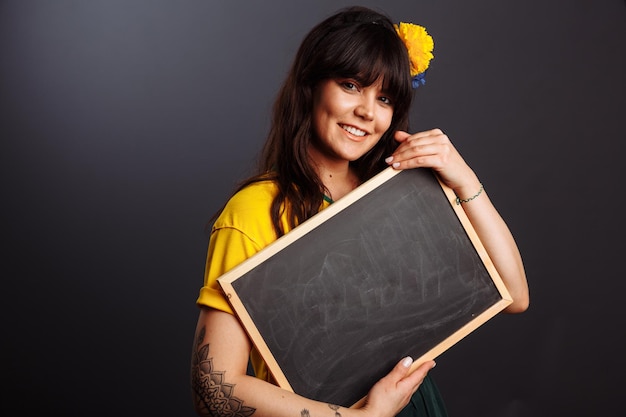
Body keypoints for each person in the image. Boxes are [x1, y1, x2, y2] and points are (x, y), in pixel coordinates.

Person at [191, 6, 529, 417]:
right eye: (351, 85)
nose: (368, 111)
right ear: (310, 85)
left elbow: (514, 295)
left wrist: (465, 179)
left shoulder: (401, 190)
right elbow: (213, 388)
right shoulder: (256, 209)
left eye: (384, 98)